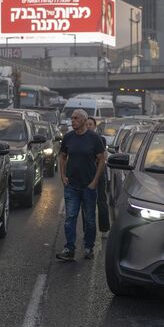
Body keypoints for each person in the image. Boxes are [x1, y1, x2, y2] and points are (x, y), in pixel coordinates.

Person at [57, 108, 106, 261]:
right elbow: (63, 157)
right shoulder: (68, 138)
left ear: (84, 121)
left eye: (76, 118)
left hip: (88, 186)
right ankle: (69, 248)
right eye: (72, 118)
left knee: (90, 219)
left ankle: (88, 247)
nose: (73, 121)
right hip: (72, 186)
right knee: (70, 217)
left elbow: (101, 160)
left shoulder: (94, 138)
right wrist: (63, 176)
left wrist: (95, 181)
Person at [86, 117, 111, 233]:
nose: (88, 126)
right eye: (86, 124)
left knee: (101, 201)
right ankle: (87, 230)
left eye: (90, 124)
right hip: (85, 174)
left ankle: (104, 229)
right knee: (85, 203)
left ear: (95, 126)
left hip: (99, 173)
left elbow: (101, 157)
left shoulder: (101, 139)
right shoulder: (81, 138)